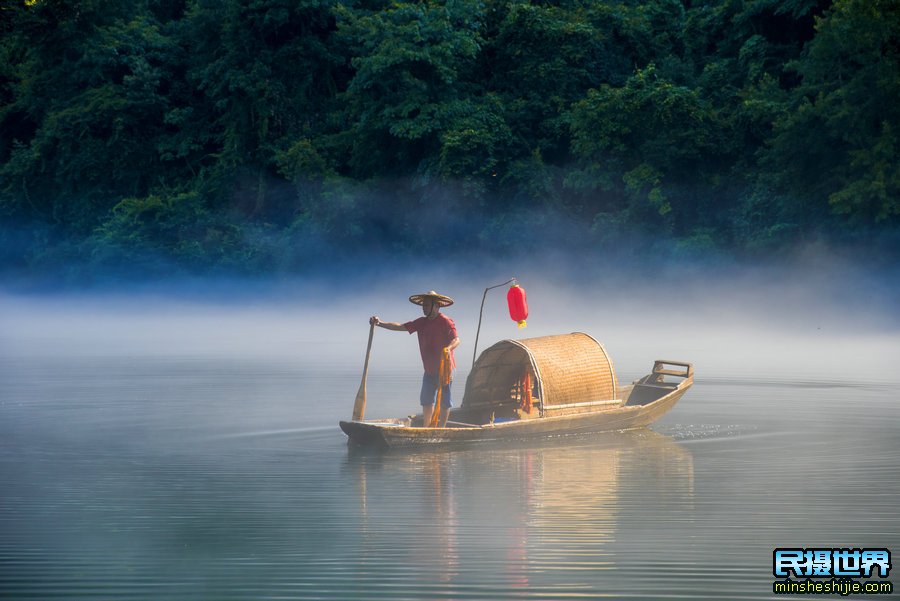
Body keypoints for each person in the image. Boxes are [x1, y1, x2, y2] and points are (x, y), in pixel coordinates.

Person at [370, 291, 460, 428]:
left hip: (445, 369)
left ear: (436, 306)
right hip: (429, 370)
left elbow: (456, 340)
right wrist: (380, 323)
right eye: (423, 305)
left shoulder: (445, 321)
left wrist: (448, 348)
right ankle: (426, 428)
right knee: (426, 400)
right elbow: (400, 326)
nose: (424, 308)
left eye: (427, 305)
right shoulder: (421, 322)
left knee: (445, 402)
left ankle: (441, 428)